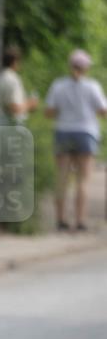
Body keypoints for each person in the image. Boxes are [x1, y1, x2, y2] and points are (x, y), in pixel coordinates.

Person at [45, 49, 107, 231]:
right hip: (86, 133)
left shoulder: (58, 85)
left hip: (63, 131)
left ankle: (60, 219)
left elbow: (49, 111)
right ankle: (80, 220)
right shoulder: (92, 86)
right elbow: (103, 111)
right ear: (86, 67)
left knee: (62, 178)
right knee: (83, 179)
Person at [0, 45, 38, 125]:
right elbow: (15, 108)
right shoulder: (13, 79)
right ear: (14, 61)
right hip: (12, 127)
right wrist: (30, 104)